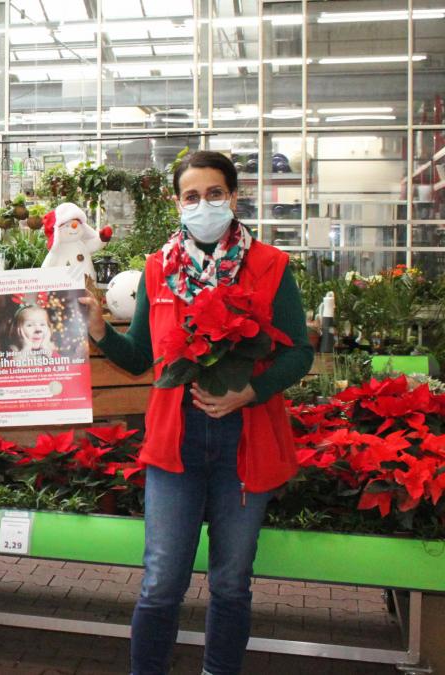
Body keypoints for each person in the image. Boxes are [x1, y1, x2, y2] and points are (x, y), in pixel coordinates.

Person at [80, 150, 313, 675]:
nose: (203, 204)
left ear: (233, 197)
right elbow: (142, 358)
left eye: (214, 194)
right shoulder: (159, 268)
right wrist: (100, 331)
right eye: (191, 196)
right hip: (175, 447)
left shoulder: (270, 266)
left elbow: (299, 351)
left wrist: (250, 392)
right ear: (177, 203)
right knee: (161, 583)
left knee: (232, 584)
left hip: (244, 444)